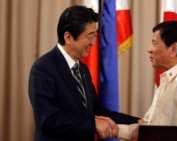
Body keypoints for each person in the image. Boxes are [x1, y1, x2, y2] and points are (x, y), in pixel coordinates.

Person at [28, 5, 141, 141]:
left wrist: (136, 122)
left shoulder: (83, 69)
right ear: (68, 37)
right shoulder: (43, 69)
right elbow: (49, 120)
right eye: (90, 36)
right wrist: (93, 124)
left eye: (95, 35)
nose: (94, 42)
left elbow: (96, 111)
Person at [119, 21, 177, 141]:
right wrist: (115, 130)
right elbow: (148, 127)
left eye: (154, 43)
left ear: (173, 49)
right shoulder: (170, 80)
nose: (149, 49)